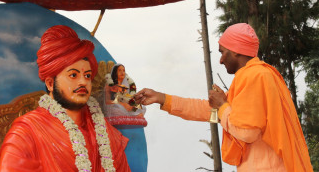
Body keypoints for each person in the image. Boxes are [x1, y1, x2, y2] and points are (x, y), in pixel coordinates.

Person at [134, 23, 313, 172]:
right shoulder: (258, 76)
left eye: (222, 52)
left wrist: (223, 106)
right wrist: (163, 98)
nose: (220, 60)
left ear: (235, 51)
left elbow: (247, 131)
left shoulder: (254, 76)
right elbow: (209, 111)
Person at [0, 25, 131, 172]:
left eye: (87, 75)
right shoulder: (27, 132)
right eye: (73, 75)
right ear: (50, 83)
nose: (83, 82)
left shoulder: (104, 131)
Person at [103, 63, 148, 172]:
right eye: (120, 70)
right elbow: (108, 101)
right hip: (114, 106)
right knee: (118, 108)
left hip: (126, 107)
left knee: (141, 106)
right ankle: (128, 111)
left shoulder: (127, 84)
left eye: (124, 70)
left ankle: (131, 112)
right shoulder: (109, 85)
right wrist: (123, 105)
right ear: (115, 73)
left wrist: (132, 104)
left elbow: (130, 98)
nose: (122, 72)